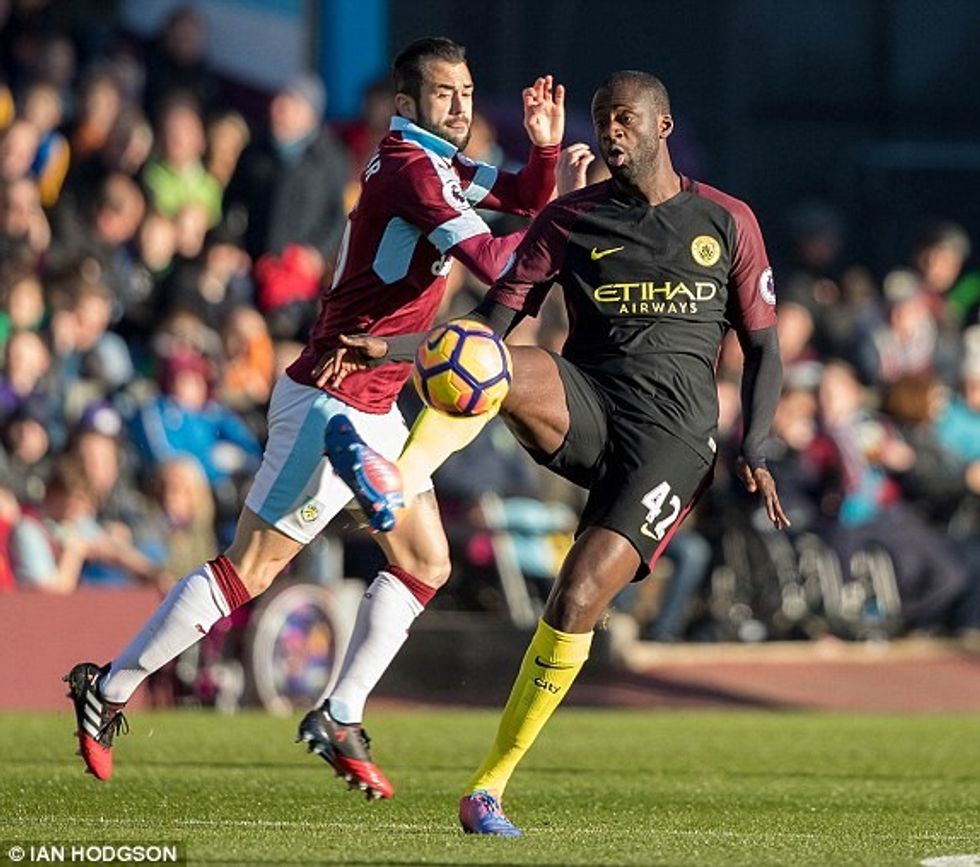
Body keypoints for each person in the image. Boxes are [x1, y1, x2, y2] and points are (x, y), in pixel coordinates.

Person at [63, 36, 569, 791]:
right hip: (331, 389)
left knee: (428, 562)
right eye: (443, 93)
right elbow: (498, 263)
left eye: (466, 91)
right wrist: (569, 235)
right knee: (248, 570)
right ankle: (105, 689)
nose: (460, 104)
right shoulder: (412, 169)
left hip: (373, 391)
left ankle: (340, 710)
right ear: (407, 105)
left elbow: (525, 199)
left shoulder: (437, 161)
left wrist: (548, 152)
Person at [319, 70, 789, 834]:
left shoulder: (727, 220)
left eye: (627, 119)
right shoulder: (570, 219)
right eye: (604, 119)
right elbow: (487, 327)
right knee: (499, 364)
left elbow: (765, 348)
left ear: (663, 126)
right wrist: (394, 345)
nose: (612, 132)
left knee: (574, 599)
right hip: (590, 408)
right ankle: (393, 481)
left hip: (671, 446)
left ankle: (488, 786)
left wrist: (757, 442)